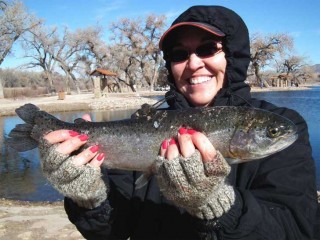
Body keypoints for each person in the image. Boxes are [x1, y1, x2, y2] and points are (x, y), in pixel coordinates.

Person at [38, 5, 320, 240]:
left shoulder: (285, 124)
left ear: (234, 55)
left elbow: (297, 230)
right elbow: (111, 231)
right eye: (179, 54)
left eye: (208, 48)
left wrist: (219, 205)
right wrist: (90, 199)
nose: (194, 63)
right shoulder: (148, 121)